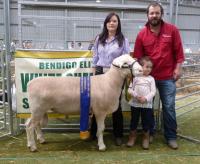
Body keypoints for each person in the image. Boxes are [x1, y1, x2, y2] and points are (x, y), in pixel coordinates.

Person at [133, 2, 185, 149]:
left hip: (168, 76)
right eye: (151, 13)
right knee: (147, 107)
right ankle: (149, 133)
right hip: (148, 78)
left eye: (157, 13)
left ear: (161, 14)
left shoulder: (172, 30)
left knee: (168, 107)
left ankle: (171, 136)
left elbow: (179, 53)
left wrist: (178, 68)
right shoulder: (142, 34)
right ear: (147, 15)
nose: (154, 15)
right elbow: (138, 57)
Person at [91, 12, 130, 146]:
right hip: (100, 71)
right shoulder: (99, 39)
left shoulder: (123, 40)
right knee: (95, 102)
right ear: (105, 24)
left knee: (115, 103)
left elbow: (126, 59)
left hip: (116, 74)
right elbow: (95, 56)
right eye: (109, 21)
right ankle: (94, 133)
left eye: (114, 21)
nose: (111, 23)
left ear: (118, 24)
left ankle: (118, 134)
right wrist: (93, 69)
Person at [126, 56, 156, 150]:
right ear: (140, 67)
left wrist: (146, 98)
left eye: (150, 67)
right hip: (135, 104)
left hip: (146, 105)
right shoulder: (135, 78)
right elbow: (129, 90)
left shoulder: (151, 79)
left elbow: (153, 92)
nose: (149, 69)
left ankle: (145, 138)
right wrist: (136, 96)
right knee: (134, 121)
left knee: (146, 121)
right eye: (147, 67)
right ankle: (132, 137)